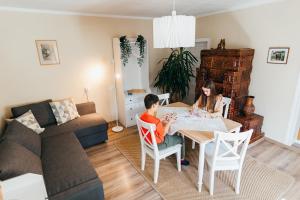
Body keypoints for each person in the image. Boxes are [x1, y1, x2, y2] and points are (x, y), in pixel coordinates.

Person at [140, 94, 189, 166]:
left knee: (172, 134)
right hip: (158, 145)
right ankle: (182, 160)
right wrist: (170, 121)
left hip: (148, 141)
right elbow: (163, 133)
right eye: (157, 104)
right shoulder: (156, 122)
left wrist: (160, 119)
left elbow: (152, 122)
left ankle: (173, 149)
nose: (158, 106)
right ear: (153, 105)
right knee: (181, 138)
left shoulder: (143, 116)